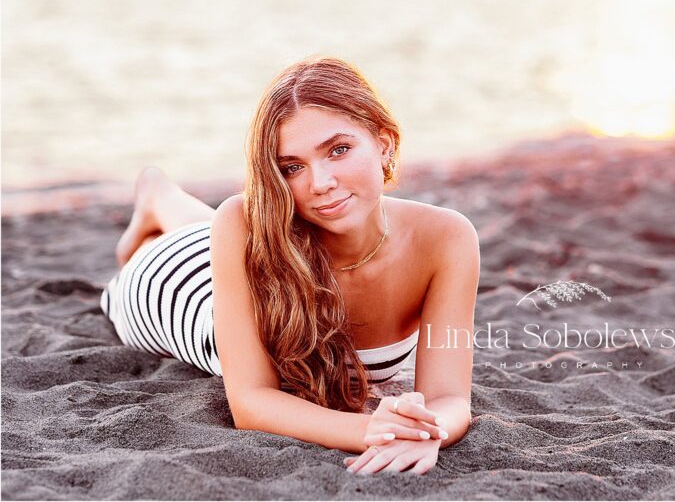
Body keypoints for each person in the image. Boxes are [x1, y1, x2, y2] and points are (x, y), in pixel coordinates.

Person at [100, 57, 480, 475]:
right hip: (176, 288)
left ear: (384, 143)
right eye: (292, 167)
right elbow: (251, 403)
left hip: (238, 246)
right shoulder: (243, 221)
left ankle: (160, 195)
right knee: (216, 230)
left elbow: (450, 398)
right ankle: (156, 196)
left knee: (223, 227)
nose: (320, 183)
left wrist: (427, 431)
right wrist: (376, 429)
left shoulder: (448, 238)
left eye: (338, 150)